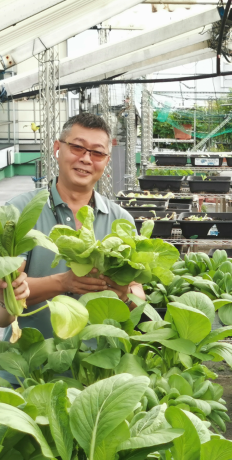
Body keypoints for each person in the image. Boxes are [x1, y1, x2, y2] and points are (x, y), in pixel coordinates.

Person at [4, 112, 146, 344]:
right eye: (78, 147)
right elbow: (8, 291)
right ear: (57, 149)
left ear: (106, 161)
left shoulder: (121, 220)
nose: (86, 159)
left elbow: (137, 294)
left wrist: (124, 295)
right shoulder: (20, 210)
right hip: (29, 368)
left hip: (99, 368)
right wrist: (63, 282)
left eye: (97, 153)